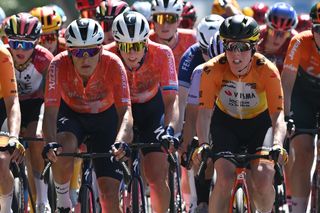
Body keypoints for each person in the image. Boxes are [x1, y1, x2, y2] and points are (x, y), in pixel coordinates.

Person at [195, 15, 287, 213]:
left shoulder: (268, 71)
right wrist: (203, 144)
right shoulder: (212, 70)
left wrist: (278, 144)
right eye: (230, 46)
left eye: (243, 47)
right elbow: (204, 114)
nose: (236, 55)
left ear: (254, 47)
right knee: (224, 178)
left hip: (259, 126)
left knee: (262, 177)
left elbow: (278, 116)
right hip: (226, 124)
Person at [42, 18, 133, 213]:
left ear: (100, 50)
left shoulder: (114, 64)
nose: (85, 58)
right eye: (77, 52)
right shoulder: (57, 65)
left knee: (109, 194)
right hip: (72, 115)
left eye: (91, 51)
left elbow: (125, 112)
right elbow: (50, 113)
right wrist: (49, 143)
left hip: (105, 119)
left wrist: (121, 141)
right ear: (68, 52)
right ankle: (63, 201)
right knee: (62, 145)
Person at [106, 11, 179, 213]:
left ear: (146, 42)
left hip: (151, 111)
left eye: (137, 46)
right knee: (110, 176)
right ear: (117, 44)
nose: (131, 53)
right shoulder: (107, 55)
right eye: (126, 47)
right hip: (118, 111)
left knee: (156, 175)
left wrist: (170, 129)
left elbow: (172, 100)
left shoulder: (162, 53)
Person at [3, 12, 54, 213]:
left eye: (26, 44)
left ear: (37, 42)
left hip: (35, 102)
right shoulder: (4, 55)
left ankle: (42, 199)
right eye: (15, 43)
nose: (20, 50)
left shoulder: (44, 59)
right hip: (7, 103)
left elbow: (51, 97)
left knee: (36, 139)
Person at [177, 14, 224, 212]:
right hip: (199, 103)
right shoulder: (190, 58)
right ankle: (201, 200)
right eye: (205, 51)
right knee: (197, 148)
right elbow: (184, 105)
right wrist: (184, 142)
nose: (210, 58)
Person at [281, 2, 320, 213]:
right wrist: (285, 117)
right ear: (311, 28)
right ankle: (297, 209)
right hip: (302, 94)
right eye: (318, 29)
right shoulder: (299, 41)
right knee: (304, 152)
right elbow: (286, 84)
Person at [0, 46, 24, 213]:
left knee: (1, 159)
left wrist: (14, 137)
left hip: (1, 109)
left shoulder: (2, 54)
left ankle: (6, 209)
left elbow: (12, 103)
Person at [150, 0, 196, 75]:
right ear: (153, 21)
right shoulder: (145, 41)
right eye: (159, 19)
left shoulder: (193, 39)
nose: (165, 25)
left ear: (179, 21)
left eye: (171, 19)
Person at [258, 2, 298, 73]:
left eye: (284, 34)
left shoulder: (295, 41)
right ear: (267, 28)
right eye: (273, 32)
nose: (277, 38)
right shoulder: (257, 36)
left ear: (290, 33)